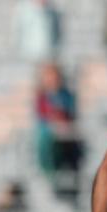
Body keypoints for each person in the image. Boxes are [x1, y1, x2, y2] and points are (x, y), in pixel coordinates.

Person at [35, 62, 81, 203]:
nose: (52, 80)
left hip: (67, 135)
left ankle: (73, 180)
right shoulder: (42, 97)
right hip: (50, 136)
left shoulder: (66, 95)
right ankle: (52, 176)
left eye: (54, 76)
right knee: (45, 141)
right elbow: (44, 118)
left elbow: (70, 114)